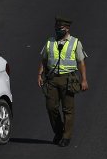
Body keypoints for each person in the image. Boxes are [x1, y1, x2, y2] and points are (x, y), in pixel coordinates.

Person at [37, 16, 88, 147]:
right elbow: (44, 59)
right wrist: (40, 74)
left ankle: (66, 136)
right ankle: (59, 132)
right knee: (50, 107)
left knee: (68, 109)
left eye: (60, 28)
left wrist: (84, 79)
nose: (57, 30)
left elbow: (81, 62)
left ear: (67, 28)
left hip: (68, 79)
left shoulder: (75, 42)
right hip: (52, 78)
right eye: (56, 28)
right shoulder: (50, 42)